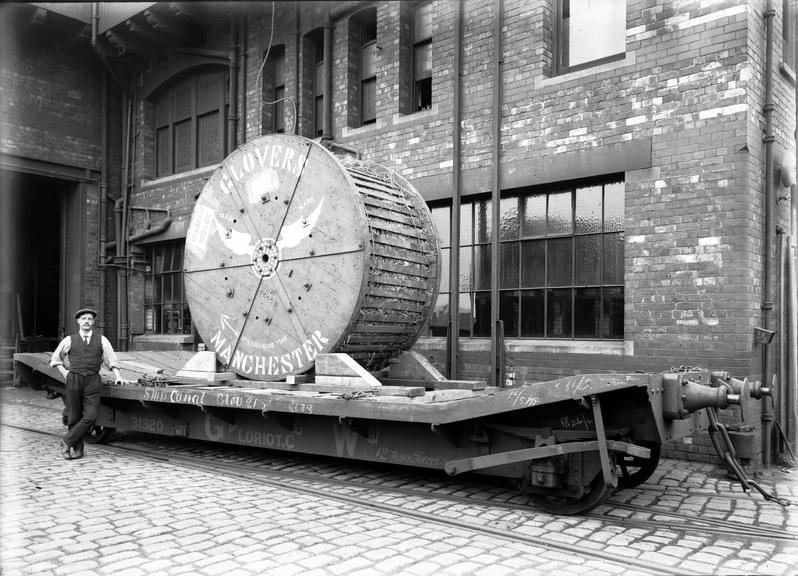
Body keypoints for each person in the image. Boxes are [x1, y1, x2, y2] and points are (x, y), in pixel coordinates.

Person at [49, 308, 125, 460]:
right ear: (78, 321)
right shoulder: (69, 340)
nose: (86, 321)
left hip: (93, 381)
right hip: (74, 380)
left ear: (93, 322)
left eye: (89, 319)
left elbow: (112, 360)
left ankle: (66, 441)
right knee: (74, 416)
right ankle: (77, 450)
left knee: (91, 416)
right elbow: (55, 360)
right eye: (83, 318)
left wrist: (118, 376)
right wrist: (65, 373)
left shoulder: (102, 340)